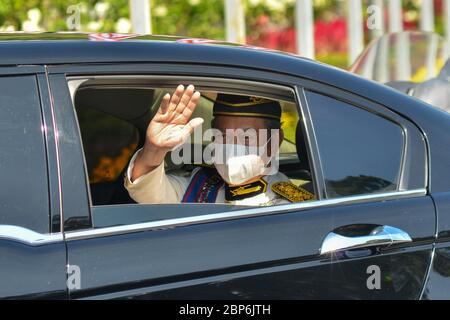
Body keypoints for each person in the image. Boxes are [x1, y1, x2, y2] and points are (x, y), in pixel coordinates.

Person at [123, 84, 314, 205]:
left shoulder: (291, 204)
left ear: (275, 141)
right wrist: (154, 150)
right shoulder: (200, 184)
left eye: (246, 138)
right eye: (223, 136)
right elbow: (150, 195)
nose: (231, 148)